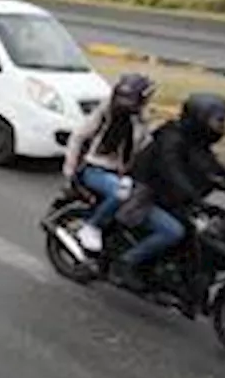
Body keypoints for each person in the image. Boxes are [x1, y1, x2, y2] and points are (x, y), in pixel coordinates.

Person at [112, 92, 225, 292]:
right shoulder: (171, 139)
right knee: (173, 231)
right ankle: (125, 263)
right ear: (200, 118)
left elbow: (215, 169)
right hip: (144, 195)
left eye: (224, 121)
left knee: (200, 233)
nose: (222, 127)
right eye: (218, 121)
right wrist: (196, 199)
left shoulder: (196, 141)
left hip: (168, 197)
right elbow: (172, 172)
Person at [62, 72, 156, 253]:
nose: (125, 103)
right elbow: (78, 136)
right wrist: (69, 171)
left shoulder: (142, 119)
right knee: (122, 193)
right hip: (96, 169)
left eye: (130, 99)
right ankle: (91, 227)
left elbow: (147, 146)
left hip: (124, 172)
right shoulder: (106, 112)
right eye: (122, 98)